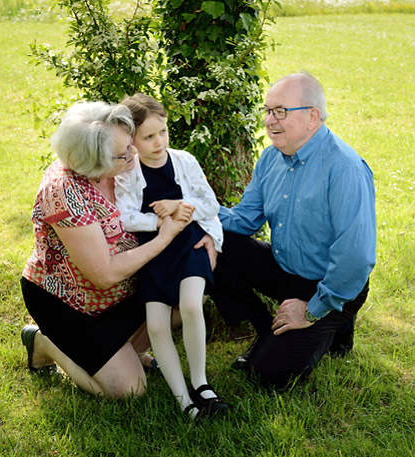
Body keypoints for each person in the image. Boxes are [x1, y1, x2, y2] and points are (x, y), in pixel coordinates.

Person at [207, 72, 376, 390]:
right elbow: (244, 220)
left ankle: (330, 325)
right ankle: (265, 330)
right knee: (214, 242)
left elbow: (356, 256)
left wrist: (311, 311)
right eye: (268, 111)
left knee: (268, 376)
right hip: (285, 269)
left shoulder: (345, 168)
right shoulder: (271, 158)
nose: (270, 121)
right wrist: (197, 212)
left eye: (281, 111)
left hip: (333, 285)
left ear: (313, 116)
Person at [19, 100, 191, 399]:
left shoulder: (123, 166)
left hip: (126, 292)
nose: (134, 153)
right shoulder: (64, 192)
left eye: (130, 143)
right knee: (130, 390)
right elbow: (104, 274)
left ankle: (123, 352)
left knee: (184, 297)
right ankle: (45, 343)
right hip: (74, 305)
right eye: (123, 152)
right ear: (93, 162)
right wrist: (164, 239)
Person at [114, 94, 227, 419]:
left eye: (162, 132)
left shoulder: (184, 161)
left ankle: (201, 383)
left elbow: (210, 204)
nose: (159, 141)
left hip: (189, 244)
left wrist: (178, 208)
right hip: (153, 253)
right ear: (131, 139)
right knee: (158, 326)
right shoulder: (128, 172)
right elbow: (126, 217)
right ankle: (183, 399)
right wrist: (160, 220)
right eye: (148, 136)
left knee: (192, 305)